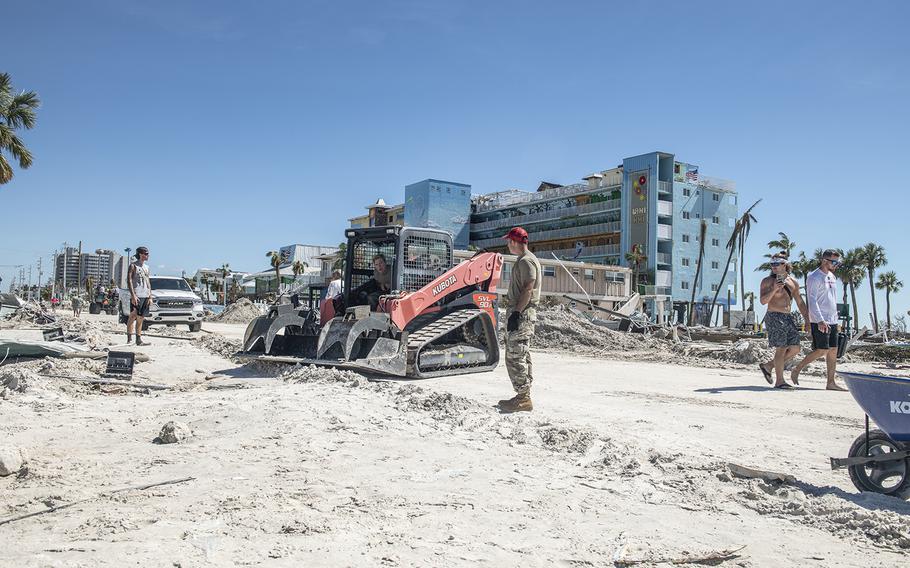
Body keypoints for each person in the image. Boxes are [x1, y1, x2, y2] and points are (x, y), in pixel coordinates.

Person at [497, 227, 542, 413]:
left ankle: (523, 398)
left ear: (515, 242)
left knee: (515, 356)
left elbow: (528, 289)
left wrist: (516, 313)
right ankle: (523, 395)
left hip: (522, 312)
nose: (508, 245)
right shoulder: (524, 260)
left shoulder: (526, 261)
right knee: (521, 355)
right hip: (522, 311)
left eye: (509, 241)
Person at [791, 249, 847, 391]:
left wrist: (836, 319)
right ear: (824, 260)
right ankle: (797, 368)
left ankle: (830, 382)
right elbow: (813, 300)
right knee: (822, 349)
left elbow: (832, 299)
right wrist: (820, 320)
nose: (836, 265)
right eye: (834, 262)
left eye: (837, 262)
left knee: (833, 350)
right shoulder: (814, 277)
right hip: (819, 319)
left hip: (832, 319)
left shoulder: (832, 277)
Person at [758, 253, 809, 388]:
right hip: (774, 315)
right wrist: (774, 288)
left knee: (795, 348)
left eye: (777, 263)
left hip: (788, 317)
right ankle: (780, 381)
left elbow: (800, 302)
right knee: (781, 348)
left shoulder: (793, 282)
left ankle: (768, 366)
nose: (773, 267)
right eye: (772, 264)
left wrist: (807, 319)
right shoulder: (767, 281)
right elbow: (763, 301)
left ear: (784, 264)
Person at [126, 246, 153, 346]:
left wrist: (150, 296)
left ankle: (138, 339)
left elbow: (148, 281)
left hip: (145, 294)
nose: (147, 255)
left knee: (141, 317)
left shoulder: (147, 267)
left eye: (147, 254)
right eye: (145, 253)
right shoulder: (133, 266)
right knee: (133, 316)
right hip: (137, 294)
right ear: (140, 254)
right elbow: (128, 280)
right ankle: (129, 338)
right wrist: (133, 295)